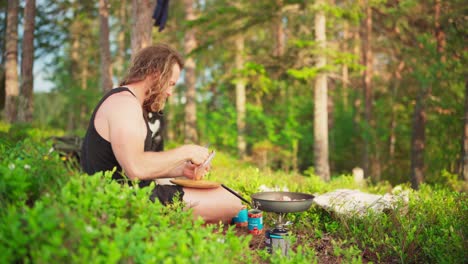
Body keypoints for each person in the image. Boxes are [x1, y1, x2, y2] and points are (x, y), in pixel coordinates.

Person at [80, 44, 242, 223]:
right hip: (125, 201)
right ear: (156, 73)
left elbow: (134, 164)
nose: (170, 93)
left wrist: (181, 169)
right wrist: (186, 151)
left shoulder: (128, 103)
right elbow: (135, 168)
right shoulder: (124, 105)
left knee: (227, 194)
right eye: (170, 84)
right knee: (232, 201)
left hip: (129, 193)